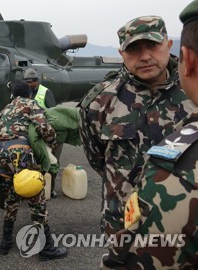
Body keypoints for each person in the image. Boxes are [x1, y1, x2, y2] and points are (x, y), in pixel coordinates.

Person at [78, 16, 194, 267]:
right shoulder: (100, 102)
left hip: (186, 219)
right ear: (122, 53)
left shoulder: (193, 90)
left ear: (168, 44)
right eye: (133, 49)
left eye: (152, 46)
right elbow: (97, 158)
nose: (144, 56)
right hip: (122, 223)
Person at [0, 80, 67, 260]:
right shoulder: (31, 104)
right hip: (22, 156)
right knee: (36, 198)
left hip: (2, 157)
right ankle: (46, 248)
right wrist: (52, 140)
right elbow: (44, 128)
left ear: (13, 95)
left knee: (12, 197)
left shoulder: (5, 109)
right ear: (29, 94)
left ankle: (5, 243)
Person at [24, 67, 62, 198]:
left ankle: (50, 189)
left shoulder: (45, 92)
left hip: (46, 131)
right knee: (34, 162)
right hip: (33, 133)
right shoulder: (25, 91)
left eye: (30, 82)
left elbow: (54, 113)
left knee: (53, 161)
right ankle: (34, 188)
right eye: (26, 82)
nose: (28, 85)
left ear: (36, 81)